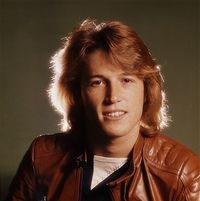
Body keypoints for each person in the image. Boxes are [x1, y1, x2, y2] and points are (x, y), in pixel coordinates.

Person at [6, 19, 200, 201]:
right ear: (77, 92)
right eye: (97, 82)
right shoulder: (41, 157)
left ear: (147, 90)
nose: (113, 96)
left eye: (126, 80)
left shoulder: (182, 173)